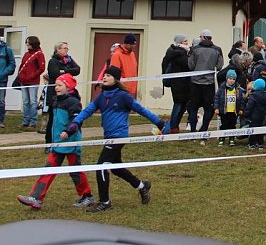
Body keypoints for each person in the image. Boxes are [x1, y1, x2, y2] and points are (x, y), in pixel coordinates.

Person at [61, 66, 166, 213]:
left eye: (108, 75)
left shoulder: (123, 96)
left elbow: (141, 109)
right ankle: (142, 186)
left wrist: (160, 123)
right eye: (104, 75)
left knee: (101, 166)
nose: (104, 77)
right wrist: (74, 123)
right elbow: (87, 111)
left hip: (119, 136)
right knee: (116, 168)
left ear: (115, 79)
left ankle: (105, 202)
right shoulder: (102, 97)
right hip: (109, 136)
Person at [17, 73, 93, 210]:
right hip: (58, 143)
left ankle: (87, 196)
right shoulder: (56, 100)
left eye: (60, 85)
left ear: (68, 87)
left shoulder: (73, 102)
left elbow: (77, 121)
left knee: (75, 171)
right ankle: (36, 198)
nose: (56, 87)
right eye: (56, 85)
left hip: (71, 143)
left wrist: (68, 131)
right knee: (48, 170)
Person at [187, 29, 223, 144]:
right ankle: (204, 131)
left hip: (195, 83)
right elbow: (220, 65)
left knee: (193, 108)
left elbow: (190, 65)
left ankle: (193, 133)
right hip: (209, 83)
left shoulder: (195, 49)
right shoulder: (217, 50)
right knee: (209, 109)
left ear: (202, 37)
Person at [44, 42, 81, 146]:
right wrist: (68, 72)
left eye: (67, 48)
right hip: (54, 94)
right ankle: (49, 142)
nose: (66, 50)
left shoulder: (69, 59)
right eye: (64, 48)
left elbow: (77, 70)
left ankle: (65, 137)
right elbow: (55, 73)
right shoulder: (53, 61)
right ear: (58, 49)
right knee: (52, 119)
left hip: (67, 94)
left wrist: (64, 70)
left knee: (65, 118)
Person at [161, 35, 191, 133]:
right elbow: (187, 65)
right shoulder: (180, 53)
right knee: (178, 105)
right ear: (180, 42)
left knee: (181, 105)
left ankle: (174, 126)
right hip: (180, 83)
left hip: (179, 83)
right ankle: (173, 127)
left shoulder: (172, 51)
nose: (187, 42)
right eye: (185, 41)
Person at [18, 36, 46, 130]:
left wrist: (31, 76)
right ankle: (25, 121)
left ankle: (33, 122)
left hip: (33, 81)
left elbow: (41, 68)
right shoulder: (26, 54)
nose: (27, 44)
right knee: (25, 101)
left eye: (28, 43)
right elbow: (22, 66)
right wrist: (21, 76)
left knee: (33, 102)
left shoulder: (39, 54)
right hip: (23, 81)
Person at [214, 69, 245, 147]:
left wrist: (241, 109)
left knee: (232, 125)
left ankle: (232, 138)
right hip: (224, 111)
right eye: (230, 79)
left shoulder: (238, 89)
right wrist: (216, 108)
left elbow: (241, 100)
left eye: (233, 79)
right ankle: (222, 138)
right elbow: (216, 98)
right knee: (224, 125)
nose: (231, 81)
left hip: (234, 111)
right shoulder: (222, 89)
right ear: (226, 79)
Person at [110, 34, 139, 99]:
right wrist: (121, 85)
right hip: (120, 89)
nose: (133, 46)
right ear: (126, 44)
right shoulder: (116, 55)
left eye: (134, 44)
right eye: (131, 45)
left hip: (131, 89)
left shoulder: (132, 54)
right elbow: (114, 73)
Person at [245, 78, 266, 150]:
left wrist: (246, 114)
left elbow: (249, 106)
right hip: (263, 116)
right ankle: (260, 144)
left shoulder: (253, 96)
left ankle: (252, 144)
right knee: (261, 130)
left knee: (253, 130)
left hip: (254, 116)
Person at [0, 33, 15, 129]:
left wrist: (4, 73)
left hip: (2, 79)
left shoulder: (7, 49)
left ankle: (0, 120)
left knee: (1, 101)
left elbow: (12, 63)